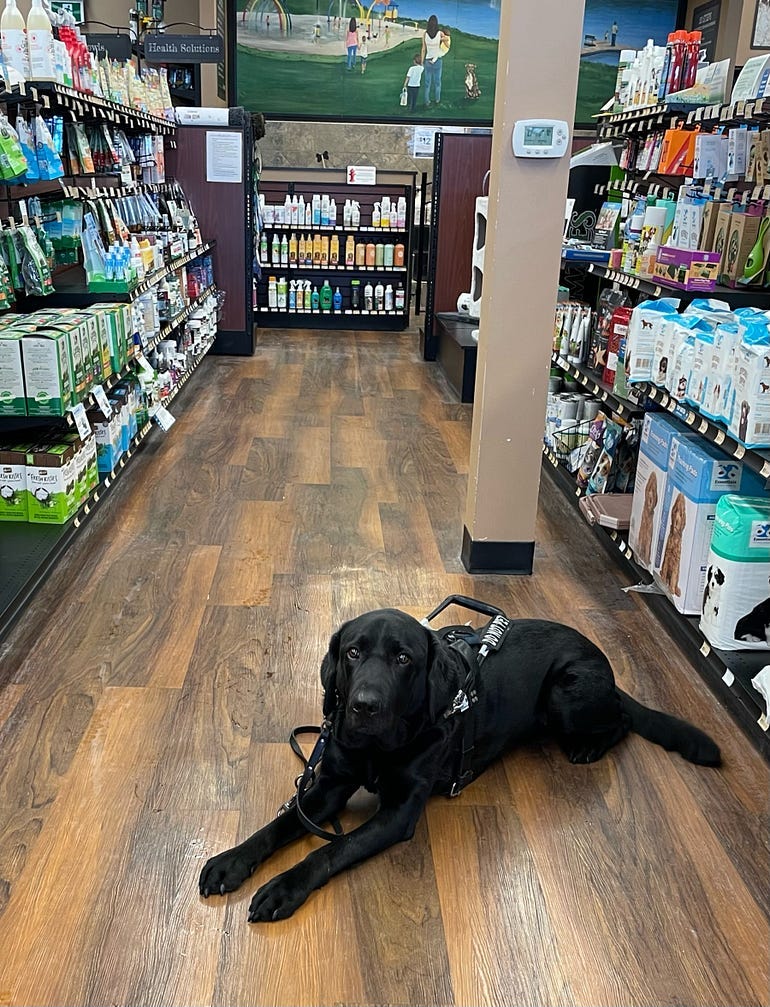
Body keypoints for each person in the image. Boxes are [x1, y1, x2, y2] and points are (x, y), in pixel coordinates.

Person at [421, 14, 450, 106]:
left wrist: (422, 62)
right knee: (437, 82)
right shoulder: (440, 33)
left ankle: (427, 102)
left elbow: (423, 49)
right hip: (438, 60)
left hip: (427, 60)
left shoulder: (425, 34)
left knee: (427, 83)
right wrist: (442, 39)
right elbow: (448, 44)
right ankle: (437, 100)